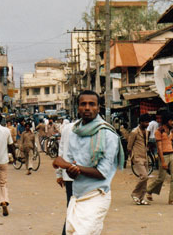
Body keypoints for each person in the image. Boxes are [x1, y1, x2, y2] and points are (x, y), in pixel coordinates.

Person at [52, 90, 124, 235]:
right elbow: (74, 174)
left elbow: (102, 172)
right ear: (77, 107)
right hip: (77, 196)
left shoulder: (108, 135)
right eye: (83, 104)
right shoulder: (74, 132)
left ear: (98, 108)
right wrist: (71, 171)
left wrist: (67, 165)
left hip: (97, 195)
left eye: (92, 104)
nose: (87, 108)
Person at [146, 111, 173, 205]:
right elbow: (159, 148)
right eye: (171, 121)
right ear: (166, 121)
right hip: (164, 156)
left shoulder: (172, 130)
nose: (172, 122)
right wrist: (162, 161)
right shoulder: (159, 131)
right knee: (161, 178)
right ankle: (148, 190)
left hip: (172, 154)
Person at [55, 118, 74, 235]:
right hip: (83, 177)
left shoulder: (67, 129)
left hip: (68, 176)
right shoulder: (93, 129)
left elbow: (60, 152)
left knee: (71, 208)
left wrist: (59, 174)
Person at [128, 113, 151, 205]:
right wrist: (132, 159)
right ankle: (135, 193)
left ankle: (141, 198)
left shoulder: (146, 132)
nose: (147, 124)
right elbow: (129, 147)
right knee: (144, 176)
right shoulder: (134, 132)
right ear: (141, 122)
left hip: (145, 157)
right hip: (137, 157)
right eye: (146, 122)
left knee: (145, 178)